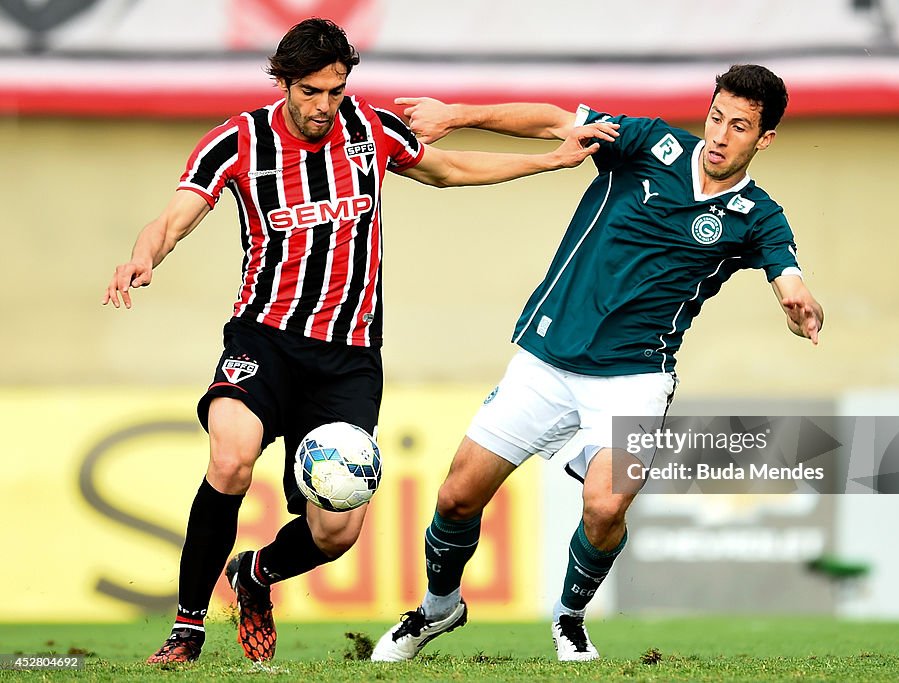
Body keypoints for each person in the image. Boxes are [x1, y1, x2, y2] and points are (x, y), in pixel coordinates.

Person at [101, 18, 616, 665]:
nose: (324, 105)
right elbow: (172, 217)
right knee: (231, 458)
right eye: (311, 91)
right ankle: (187, 628)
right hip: (265, 337)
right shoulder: (237, 141)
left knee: (335, 529)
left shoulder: (368, 130)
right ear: (284, 82)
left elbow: (448, 169)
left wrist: (549, 158)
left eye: (336, 91)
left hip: (348, 358)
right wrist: (142, 256)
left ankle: (255, 577)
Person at [371, 64, 824, 663]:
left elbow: (786, 270)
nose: (719, 135)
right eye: (716, 117)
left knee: (607, 505)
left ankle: (570, 616)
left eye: (738, 127)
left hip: (636, 375)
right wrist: (456, 115)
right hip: (549, 358)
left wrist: (796, 297)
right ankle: (438, 608)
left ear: (763, 139)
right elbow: (555, 122)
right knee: (457, 497)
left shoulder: (758, 215)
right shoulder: (650, 143)